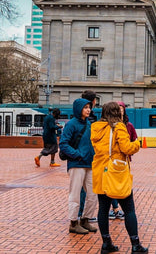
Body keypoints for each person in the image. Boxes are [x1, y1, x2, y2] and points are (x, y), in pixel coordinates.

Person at [91, 101, 148, 253]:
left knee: (103, 209)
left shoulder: (95, 127)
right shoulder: (119, 127)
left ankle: (106, 243)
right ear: (117, 112)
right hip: (115, 173)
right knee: (129, 209)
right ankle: (136, 245)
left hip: (100, 172)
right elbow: (126, 148)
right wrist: (136, 143)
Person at [59, 98, 98, 235]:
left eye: (89, 107)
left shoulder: (89, 124)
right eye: (85, 107)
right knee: (75, 194)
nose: (89, 110)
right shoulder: (71, 124)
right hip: (77, 164)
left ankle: (85, 220)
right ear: (78, 109)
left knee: (93, 194)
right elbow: (63, 144)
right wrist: (77, 154)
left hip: (89, 163)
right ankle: (73, 223)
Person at [107, 101, 137, 220]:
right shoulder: (110, 125)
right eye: (117, 109)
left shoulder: (128, 125)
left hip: (125, 160)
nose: (120, 111)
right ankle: (115, 208)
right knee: (113, 184)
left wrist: (131, 148)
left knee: (123, 184)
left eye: (121, 109)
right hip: (113, 161)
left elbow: (134, 139)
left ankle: (119, 207)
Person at [79, 90, 98, 221]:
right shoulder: (90, 118)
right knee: (86, 188)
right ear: (93, 101)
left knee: (83, 188)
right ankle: (83, 214)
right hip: (86, 157)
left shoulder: (83, 117)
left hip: (83, 157)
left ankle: (82, 214)